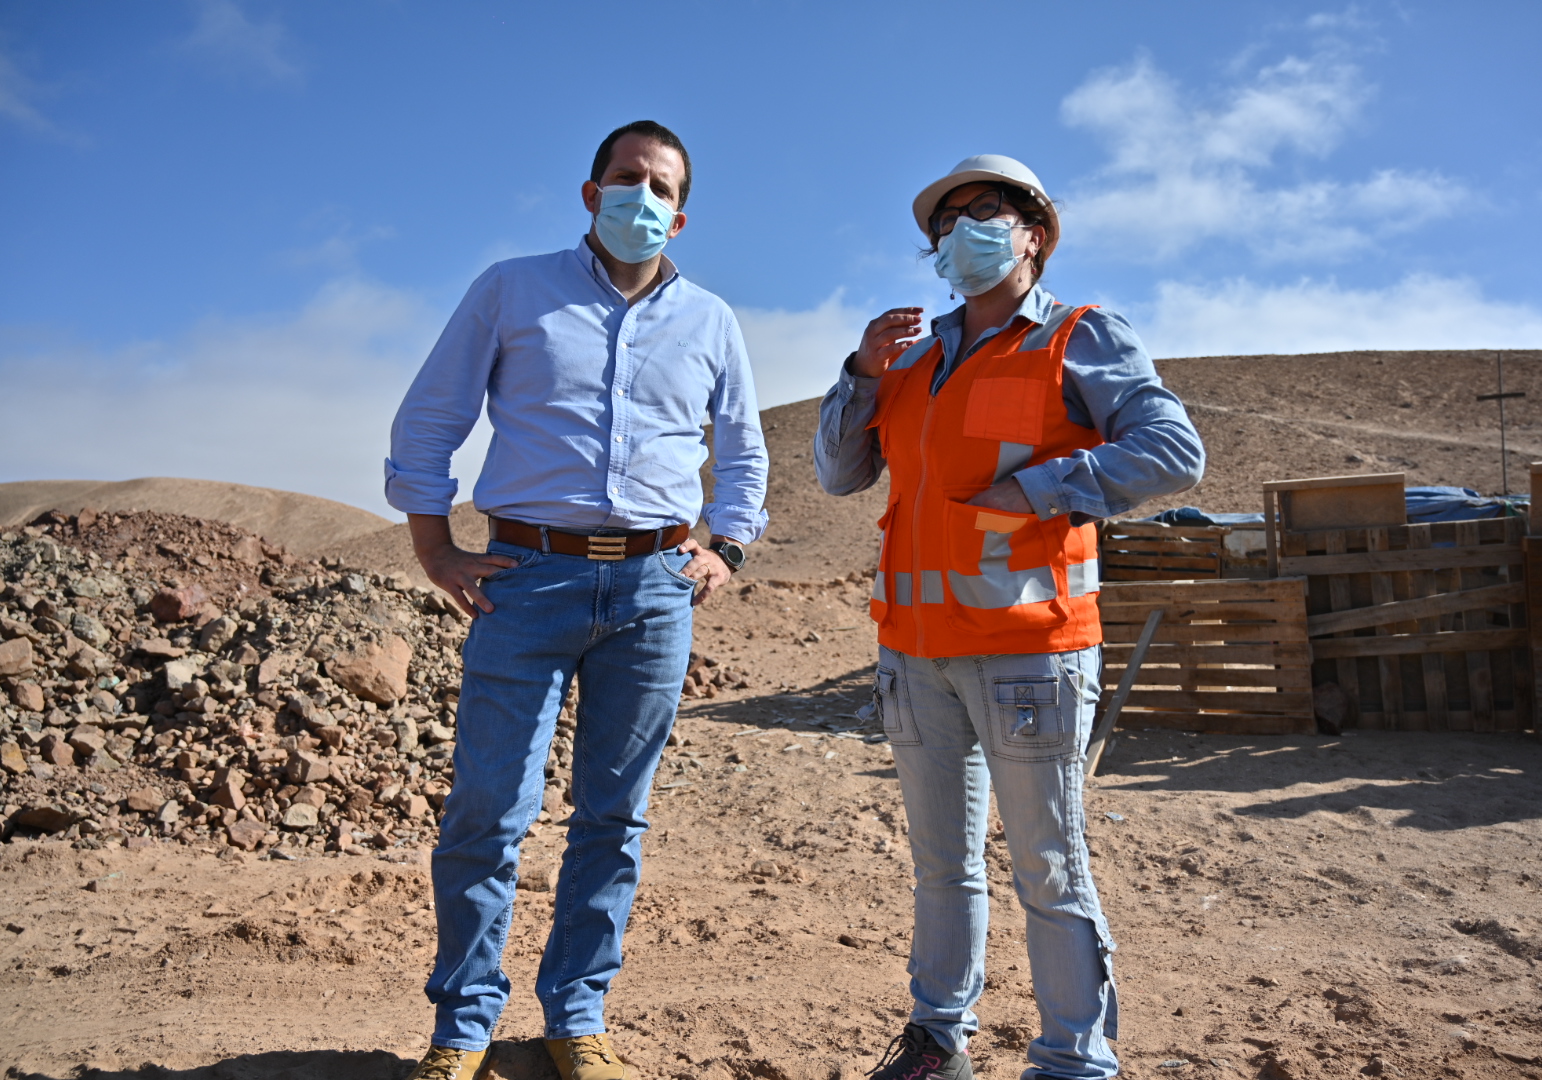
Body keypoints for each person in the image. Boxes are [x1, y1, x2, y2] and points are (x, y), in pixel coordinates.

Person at [385, 120, 768, 1080]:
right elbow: (431, 417)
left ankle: (577, 1017)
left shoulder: (712, 320)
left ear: (683, 213)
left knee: (613, 817)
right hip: (526, 577)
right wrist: (435, 545)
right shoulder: (514, 289)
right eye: (627, 178)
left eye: (662, 186)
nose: (644, 196)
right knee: (488, 811)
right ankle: (462, 1026)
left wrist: (723, 546)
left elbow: (743, 452)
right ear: (591, 192)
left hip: (654, 591)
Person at [814, 156, 1205, 1080]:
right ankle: (936, 1041)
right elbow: (838, 474)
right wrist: (857, 372)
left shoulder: (1079, 335)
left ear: (1034, 233)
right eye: (948, 221)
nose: (963, 231)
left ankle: (1073, 1060)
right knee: (940, 866)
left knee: (1049, 865)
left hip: (1030, 651)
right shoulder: (906, 357)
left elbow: (1174, 451)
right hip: (916, 656)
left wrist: (1041, 488)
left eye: (986, 212)